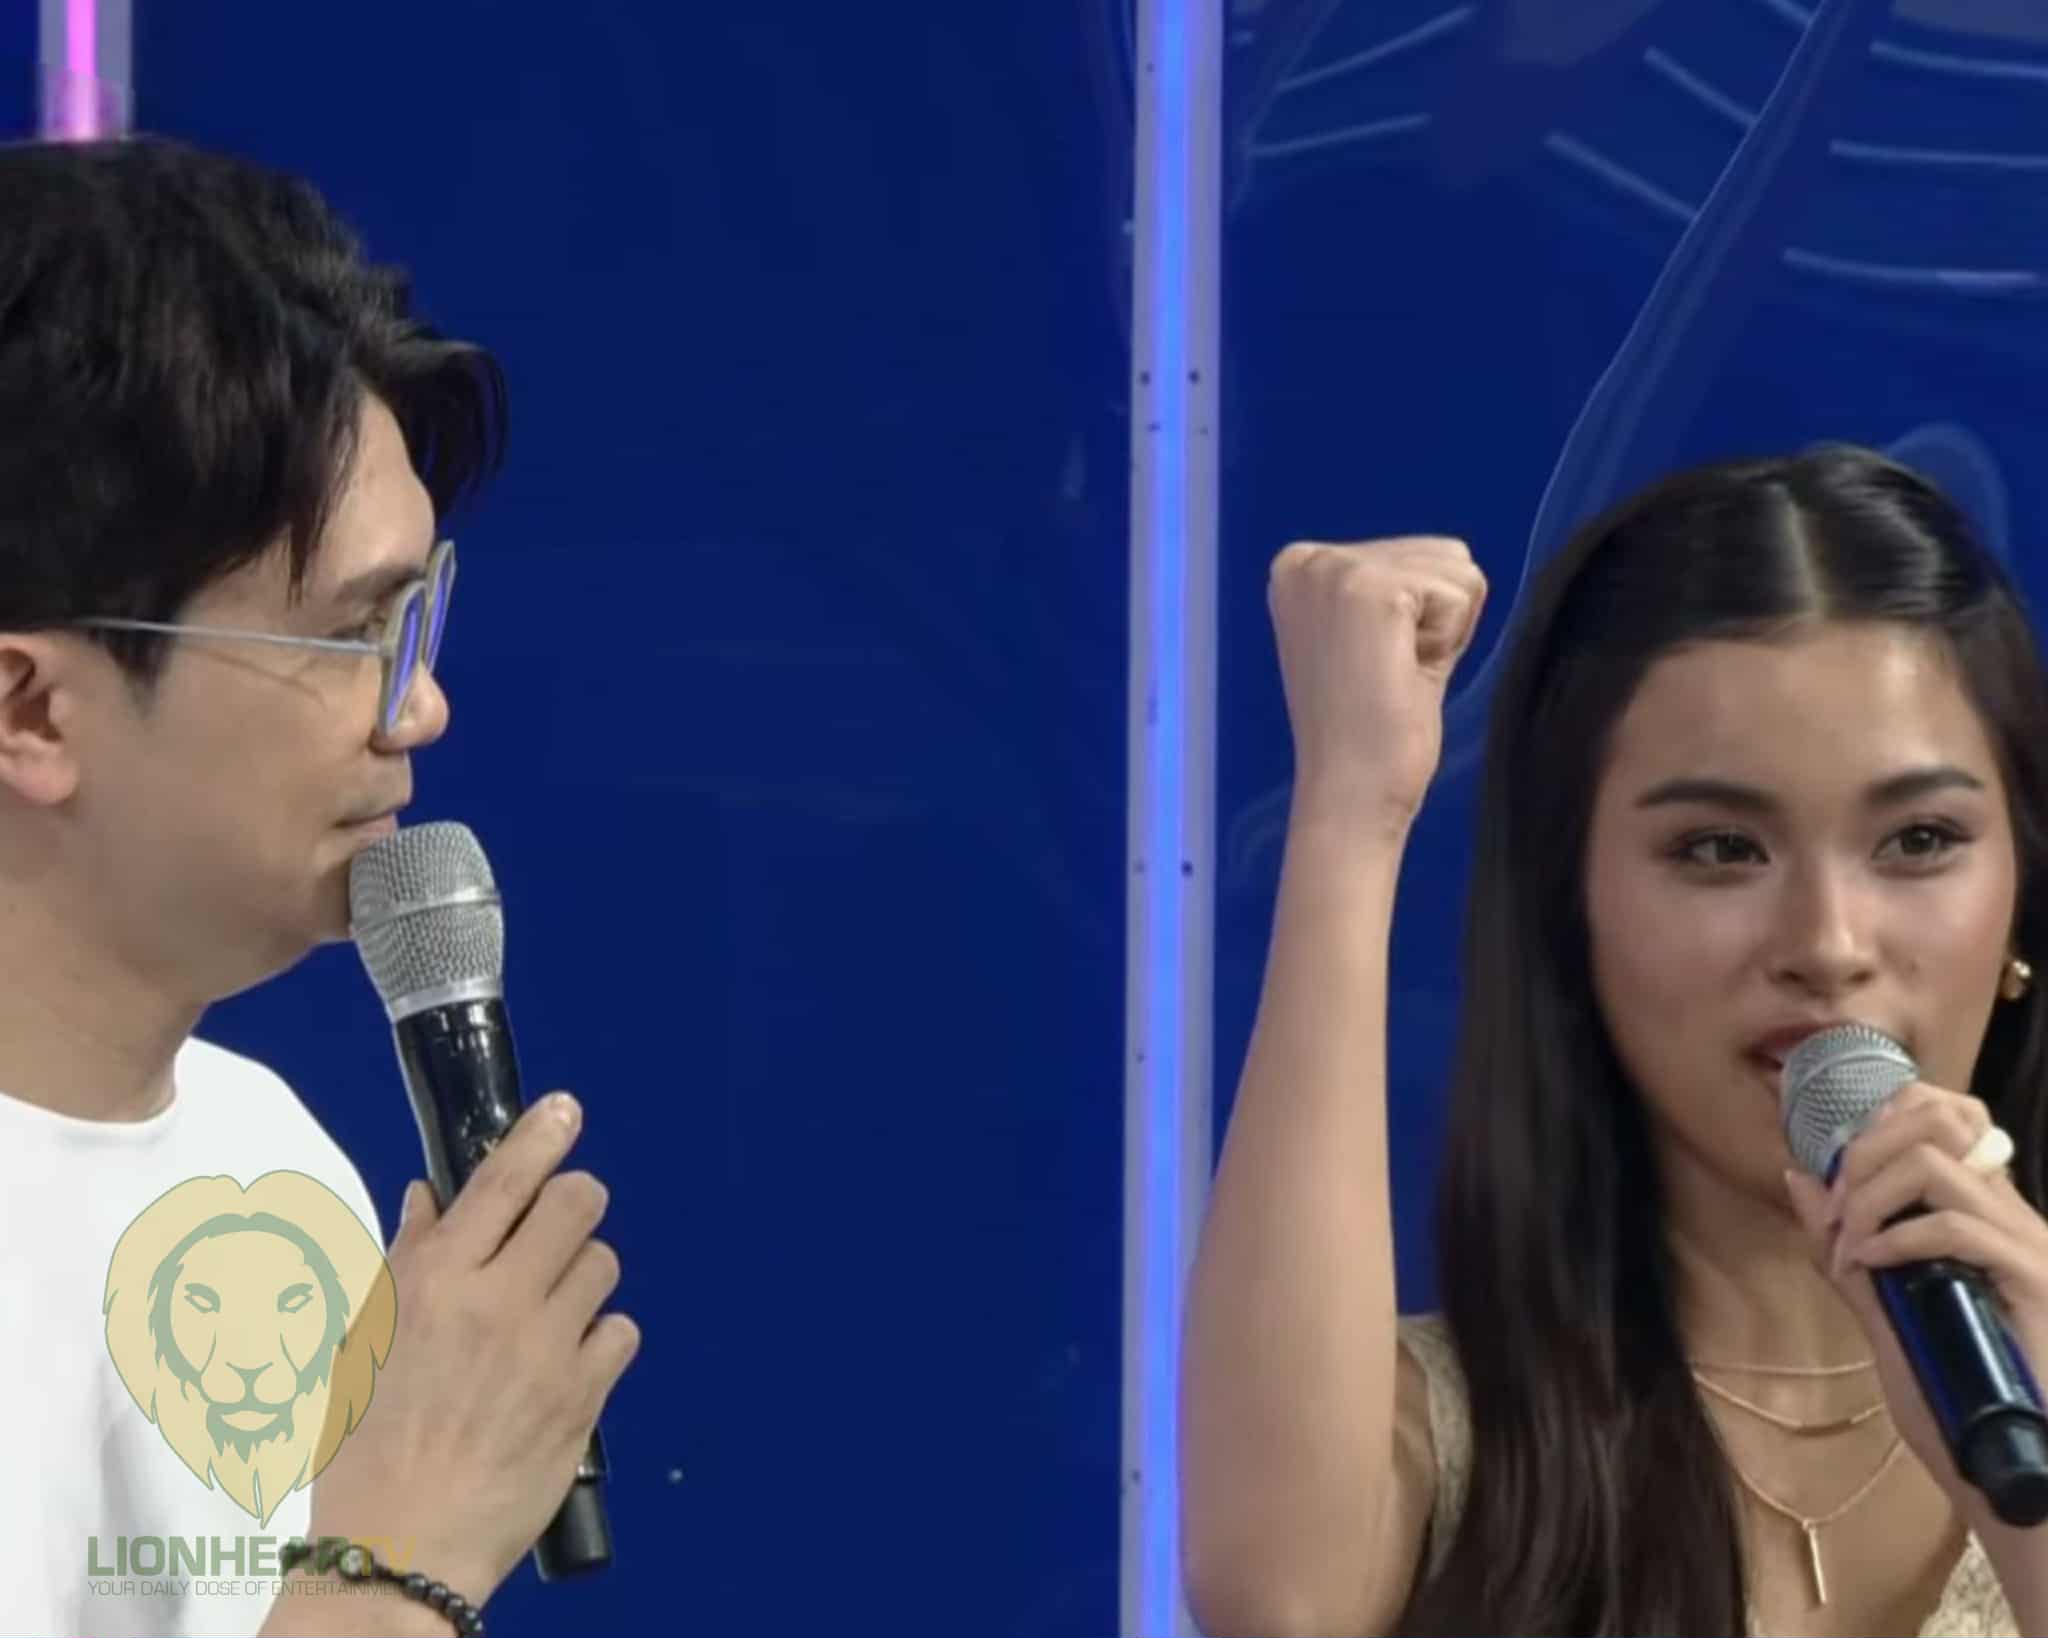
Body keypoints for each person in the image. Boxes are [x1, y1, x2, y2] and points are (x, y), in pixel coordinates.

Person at [1181, 443, 2048, 1636]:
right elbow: (1275, 1599)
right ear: (1569, 908)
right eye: (1718, 849)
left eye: (1916, 841)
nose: (1827, 941)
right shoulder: (1441, 1439)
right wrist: (1351, 808)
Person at [0, 135, 639, 1638]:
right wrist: (393, 1562)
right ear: (31, 711)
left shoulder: (270, 1164)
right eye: (352, 635)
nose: (418, 709)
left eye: (419, 621)